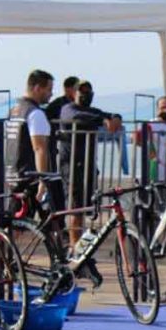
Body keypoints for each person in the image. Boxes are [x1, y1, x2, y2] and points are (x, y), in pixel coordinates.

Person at [58, 81, 122, 245]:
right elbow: (76, 118)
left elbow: (113, 115)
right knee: (75, 209)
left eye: (89, 92)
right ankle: (74, 248)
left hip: (88, 165)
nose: (86, 95)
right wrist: (103, 120)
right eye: (82, 92)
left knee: (87, 208)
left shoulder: (94, 111)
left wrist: (114, 119)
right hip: (71, 166)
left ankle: (81, 246)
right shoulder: (68, 109)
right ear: (74, 93)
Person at [4, 69, 54, 203]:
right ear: (37, 88)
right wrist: (43, 181)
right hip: (30, 178)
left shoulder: (14, 110)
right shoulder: (34, 113)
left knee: (17, 219)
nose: (51, 94)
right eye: (49, 90)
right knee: (29, 221)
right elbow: (39, 149)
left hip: (13, 174)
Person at [45, 75, 79, 167]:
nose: (79, 91)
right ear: (68, 89)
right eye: (77, 88)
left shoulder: (79, 103)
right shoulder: (58, 104)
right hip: (62, 138)